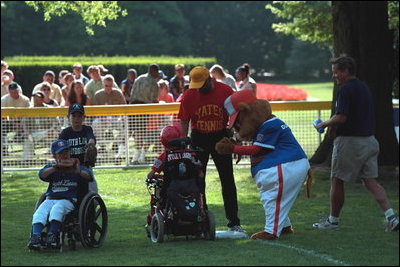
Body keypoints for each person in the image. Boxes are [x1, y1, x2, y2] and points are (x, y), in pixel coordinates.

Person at [312, 55, 399, 232]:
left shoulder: (345, 89)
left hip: (350, 142)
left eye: (336, 72)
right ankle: (392, 217)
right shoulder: (363, 87)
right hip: (369, 141)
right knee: (371, 181)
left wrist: (324, 124)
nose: (334, 76)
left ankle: (333, 221)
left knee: (336, 179)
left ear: (345, 71)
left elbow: (341, 116)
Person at [216, 90, 310, 240]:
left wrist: (233, 149)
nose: (239, 126)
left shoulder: (270, 124)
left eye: (239, 121)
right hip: (289, 164)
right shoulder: (266, 124)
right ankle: (284, 226)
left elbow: (256, 149)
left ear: (247, 112)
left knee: (272, 196)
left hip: (286, 165)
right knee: (274, 197)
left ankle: (271, 231)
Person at [178, 66, 244, 233]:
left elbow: (236, 115)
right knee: (198, 181)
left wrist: (237, 137)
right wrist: (183, 143)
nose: (199, 88)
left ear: (209, 79)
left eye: (202, 84)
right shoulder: (189, 95)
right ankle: (201, 218)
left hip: (221, 137)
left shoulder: (225, 90)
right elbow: (184, 120)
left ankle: (234, 222)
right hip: (198, 137)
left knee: (227, 179)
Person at [27, 139, 93, 250]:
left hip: (68, 200)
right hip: (50, 198)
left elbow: (89, 176)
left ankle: (53, 235)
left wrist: (78, 171)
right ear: (55, 156)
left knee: (57, 209)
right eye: (61, 153)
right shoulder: (51, 167)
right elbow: (42, 175)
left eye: (66, 152)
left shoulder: (76, 165)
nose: (65, 155)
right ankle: (36, 236)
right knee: (40, 211)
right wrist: (56, 168)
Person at [59, 103, 98, 194]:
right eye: (74, 115)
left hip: (85, 167)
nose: (77, 118)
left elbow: (91, 138)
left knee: (93, 194)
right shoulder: (65, 133)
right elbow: (59, 149)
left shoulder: (87, 129)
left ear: (84, 117)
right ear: (68, 117)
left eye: (79, 116)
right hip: (69, 167)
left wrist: (91, 144)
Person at [130, 64, 160, 164]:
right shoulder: (154, 83)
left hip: (132, 106)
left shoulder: (139, 78)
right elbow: (154, 99)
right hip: (143, 108)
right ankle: (138, 157)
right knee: (140, 132)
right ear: (154, 71)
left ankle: (137, 156)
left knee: (134, 131)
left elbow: (132, 93)